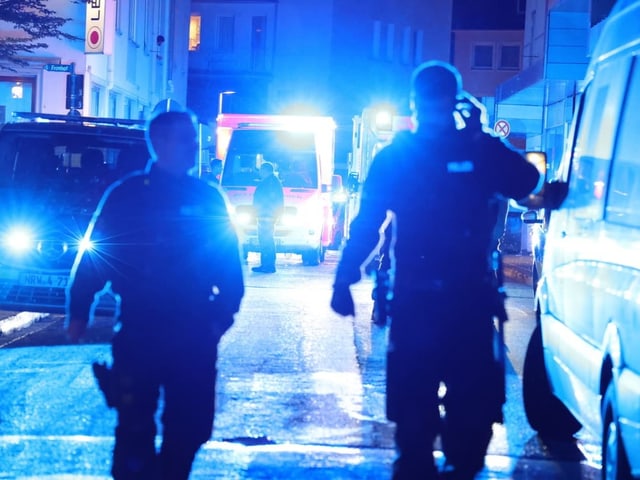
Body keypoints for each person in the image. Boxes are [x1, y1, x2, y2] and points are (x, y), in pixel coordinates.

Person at [331, 60, 543, 480]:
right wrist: (479, 133)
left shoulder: (398, 155)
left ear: (414, 103)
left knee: (414, 422)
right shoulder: (478, 150)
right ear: (456, 100)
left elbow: (367, 222)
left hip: (417, 298)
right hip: (468, 298)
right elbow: (527, 180)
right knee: (471, 421)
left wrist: (345, 276)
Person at [65, 109, 245, 480]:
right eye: (185, 139)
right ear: (159, 143)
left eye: (194, 139)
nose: (194, 147)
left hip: (194, 329)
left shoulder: (207, 198)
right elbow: (98, 256)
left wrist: (218, 319)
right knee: (134, 427)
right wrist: (79, 310)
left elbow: (229, 266)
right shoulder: (128, 195)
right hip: (141, 327)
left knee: (193, 426)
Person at [251, 161, 284, 273]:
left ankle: (268, 265)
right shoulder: (271, 181)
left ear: (266, 170)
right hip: (265, 215)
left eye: (261, 170)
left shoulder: (271, 183)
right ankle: (266, 264)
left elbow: (272, 200)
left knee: (266, 240)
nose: (259, 172)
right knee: (265, 240)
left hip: (266, 216)